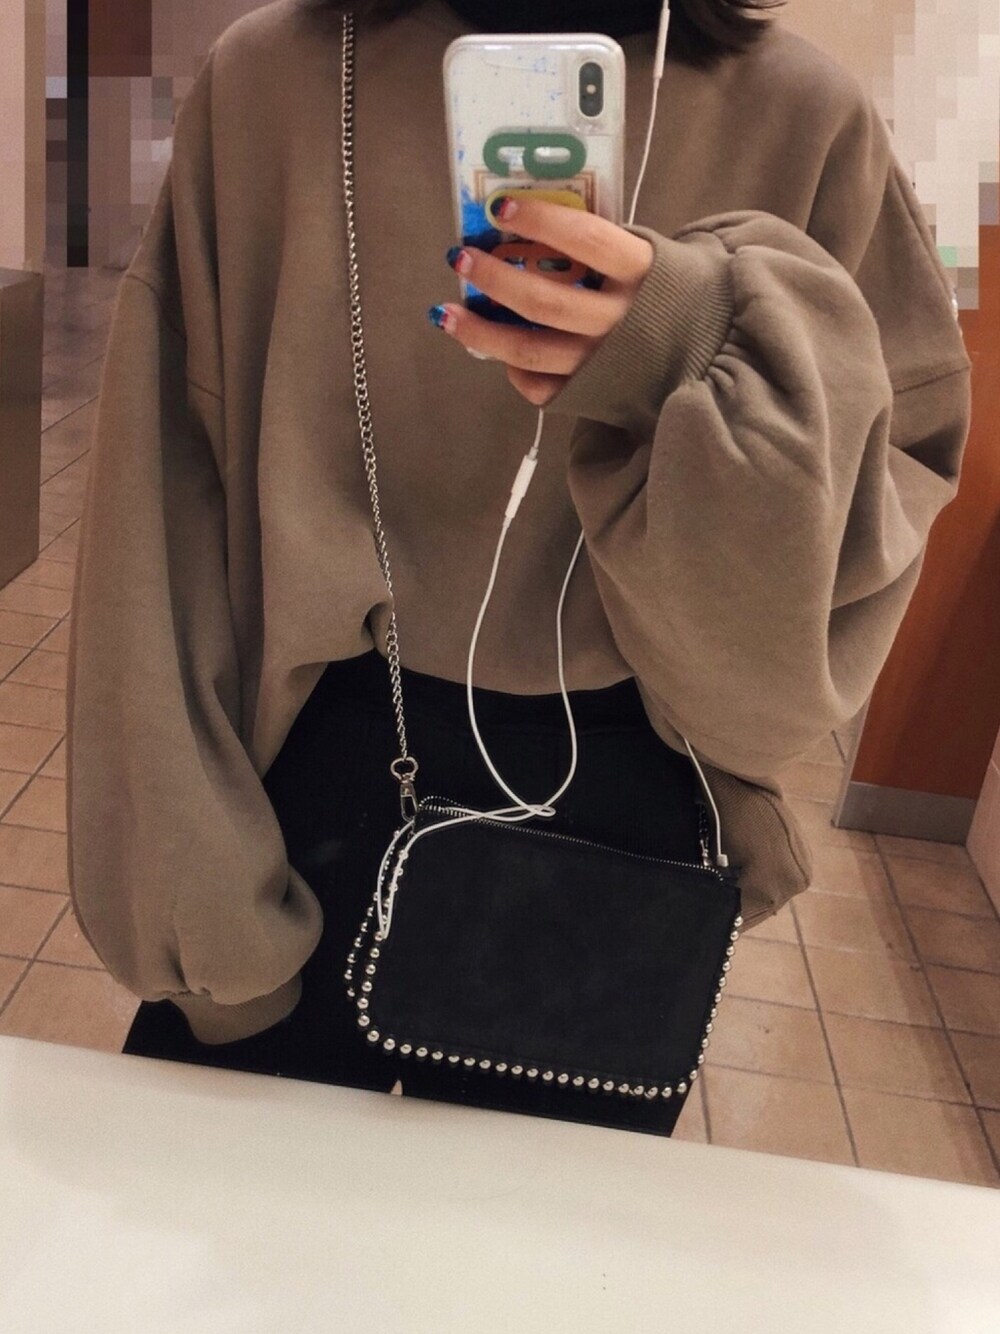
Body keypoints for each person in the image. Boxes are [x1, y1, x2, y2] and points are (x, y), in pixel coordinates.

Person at [65, 0, 972, 1138]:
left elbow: (831, 591)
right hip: (290, 794)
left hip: (631, 799)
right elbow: (159, 524)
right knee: (226, 1233)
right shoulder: (271, 81)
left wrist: (698, 343)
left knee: (540, 1243)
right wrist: (201, 927)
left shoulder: (804, 118)